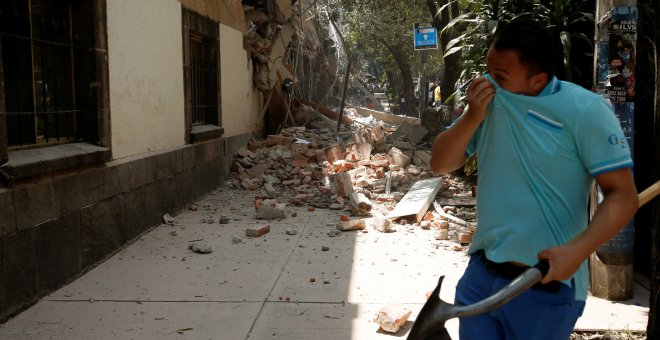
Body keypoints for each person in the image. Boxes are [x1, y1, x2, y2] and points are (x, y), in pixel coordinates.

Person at [430, 19, 638, 339]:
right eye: (488, 69)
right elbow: (441, 163)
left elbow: (623, 195)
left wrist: (577, 252)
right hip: (481, 276)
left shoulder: (586, 111)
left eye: (500, 75)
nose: (488, 80)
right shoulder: (485, 100)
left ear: (538, 78)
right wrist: (472, 116)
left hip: (545, 286)